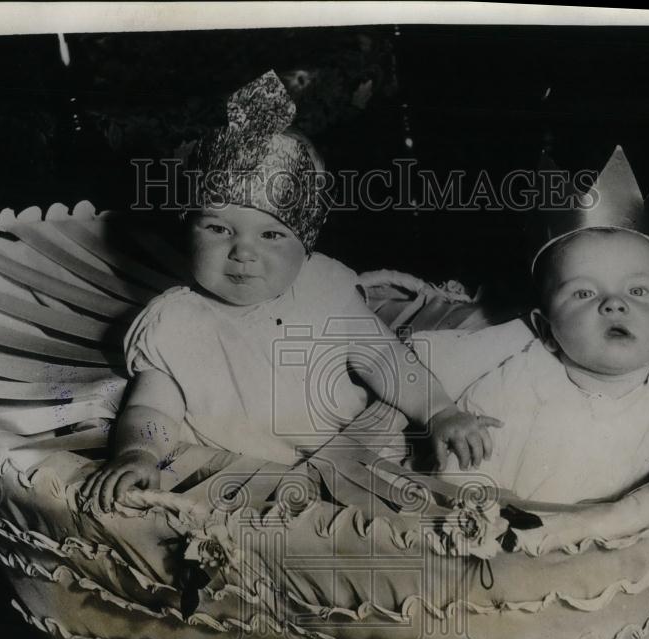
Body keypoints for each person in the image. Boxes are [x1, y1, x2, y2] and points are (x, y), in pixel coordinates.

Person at [81, 71, 499, 514]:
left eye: (271, 236)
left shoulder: (324, 294)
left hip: (352, 451)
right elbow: (153, 410)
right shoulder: (175, 323)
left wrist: (439, 411)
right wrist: (138, 453)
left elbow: (387, 360)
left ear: (307, 244)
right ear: (187, 229)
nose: (242, 252)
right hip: (237, 479)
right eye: (218, 228)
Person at [417, 147, 649, 504]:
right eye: (583, 293)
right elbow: (462, 479)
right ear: (546, 330)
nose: (614, 303)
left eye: (637, 290)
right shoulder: (510, 390)